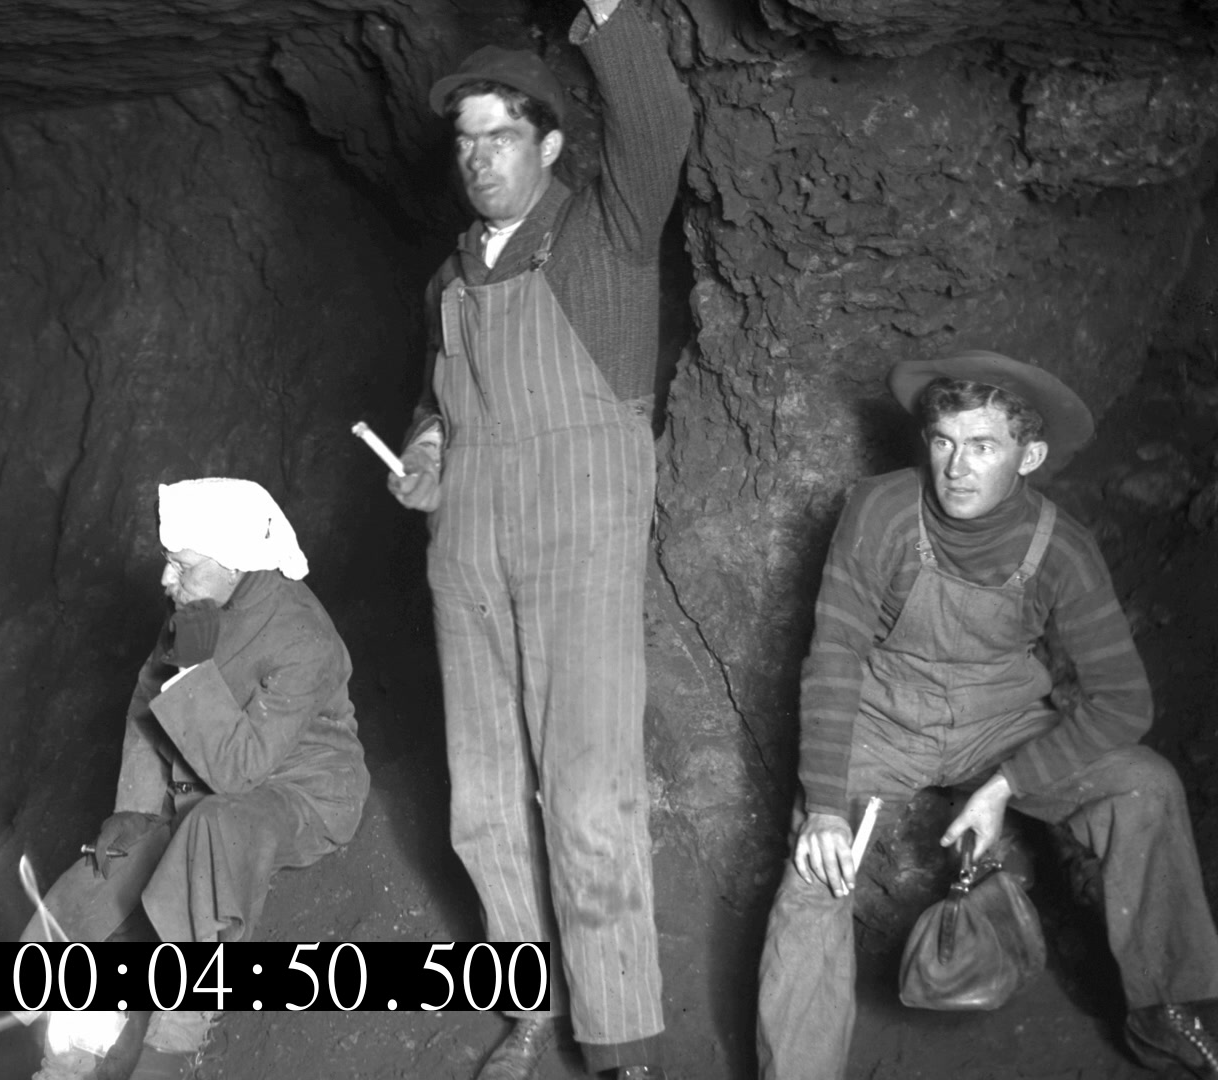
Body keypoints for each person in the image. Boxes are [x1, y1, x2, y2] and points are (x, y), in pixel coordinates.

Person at [755, 350, 1218, 1079]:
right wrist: (822, 808)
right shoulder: (881, 509)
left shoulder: (1061, 548)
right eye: (943, 442)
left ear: (1028, 457)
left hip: (999, 723)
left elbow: (1124, 699)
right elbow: (835, 654)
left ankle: (1167, 1008)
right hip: (884, 720)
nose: (955, 468)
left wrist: (1007, 784)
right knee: (816, 873)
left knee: (1144, 785)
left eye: (982, 446)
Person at [385, 2, 690, 1077]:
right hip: (467, 551)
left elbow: (657, 123)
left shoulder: (605, 235)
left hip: (578, 540)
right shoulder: (448, 280)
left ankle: (620, 1040)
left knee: (589, 794)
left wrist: (609, 12)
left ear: (550, 145)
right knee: (480, 802)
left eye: (502, 135)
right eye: (465, 140)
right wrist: (425, 451)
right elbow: (437, 404)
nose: (479, 157)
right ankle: (530, 1007)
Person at [23, 478, 370, 1080]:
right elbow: (147, 700)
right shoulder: (200, 607)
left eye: (182, 566)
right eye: (168, 562)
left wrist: (188, 671)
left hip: (299, 792)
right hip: (205, 781)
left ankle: (172, 1048)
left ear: (233, 563)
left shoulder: (302, 637)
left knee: (211, 832)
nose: (167, 578)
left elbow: (240, 770)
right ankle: (56, 1058)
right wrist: (134, 809)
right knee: (95, 882)